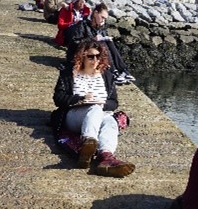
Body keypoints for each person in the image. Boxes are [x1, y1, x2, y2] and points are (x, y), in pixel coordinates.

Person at [51, 41, 135, 178]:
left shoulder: (106, 75)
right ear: (82, 56)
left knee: (110, 122)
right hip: (75, 116)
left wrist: (102, 103)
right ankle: (88, 141)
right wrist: (80, 99)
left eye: (98, 56)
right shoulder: (69, 74)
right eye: (91, 56)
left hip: (101, 113)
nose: (95, 60)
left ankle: (106, 157)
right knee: (94, 109)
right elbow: (58, 98)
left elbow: (113, 102)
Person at [65, 3, 136, 85]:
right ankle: (112, 71)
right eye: (102, 17)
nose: (103, 20)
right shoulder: (82, 24)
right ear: (95, 13)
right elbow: (74, 43)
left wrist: (101, 30)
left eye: (105, 19)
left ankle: (122, 70)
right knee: (101, 43)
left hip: (92, 52)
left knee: (109, 42)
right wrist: (92, 39)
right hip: (78, 54)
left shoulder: (100, 25)